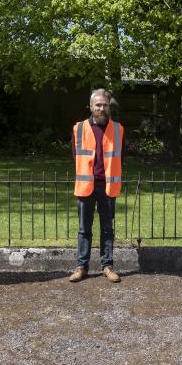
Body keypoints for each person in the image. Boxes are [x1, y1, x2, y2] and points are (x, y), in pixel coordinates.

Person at [69, 88, 124, 283]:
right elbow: (75, 155)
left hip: (108, 186)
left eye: (105, 105)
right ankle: (81, 266)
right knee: (84, 228)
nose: (101, 108)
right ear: (91, 106)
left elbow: (120, 156)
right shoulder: (79, 128)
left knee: (107, 228)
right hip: (86, 186)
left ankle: (107, 266)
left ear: (109, 107)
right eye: (98, 105)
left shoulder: (118, 129)